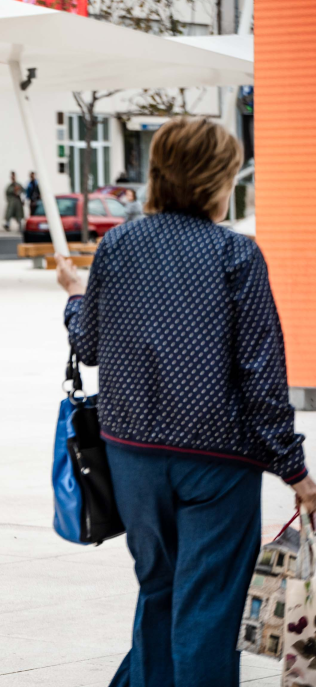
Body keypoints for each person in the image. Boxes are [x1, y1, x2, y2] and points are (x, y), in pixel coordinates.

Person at [56, 117, 313, 687]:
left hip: (133, 455)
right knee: (208, 607)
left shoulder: (118, 243)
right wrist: (296, 471)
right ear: (216, 181)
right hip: (218, 461)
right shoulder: (236, 255)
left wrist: (75, 298)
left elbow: (90, 344)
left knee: (159, 590)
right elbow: (261, 377)